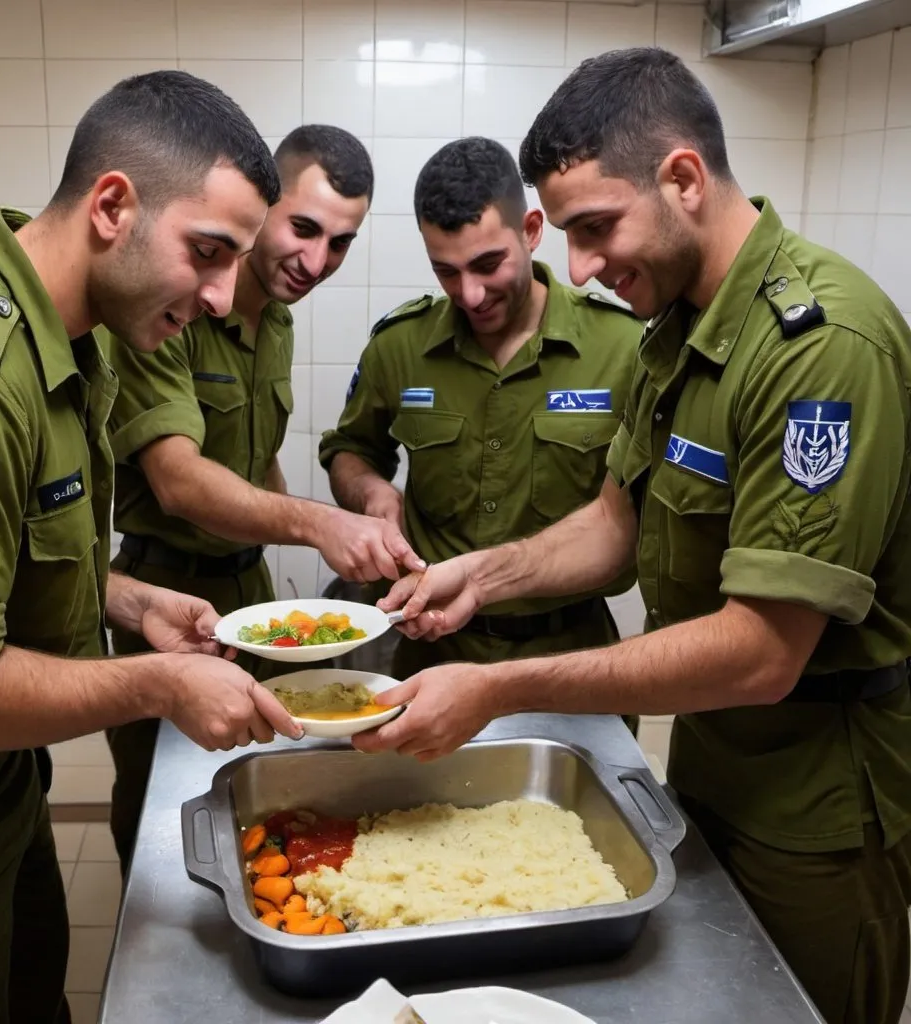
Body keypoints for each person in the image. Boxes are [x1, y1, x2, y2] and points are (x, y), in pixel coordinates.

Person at [359, 48, 911, 1024]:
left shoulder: (819, 347)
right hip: (709, 758)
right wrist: (477, 577)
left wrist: (498, 686)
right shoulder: (679, 335)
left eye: (593, 228)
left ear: (684, 178)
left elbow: (759, 652)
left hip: (815, 797)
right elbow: (614, 524)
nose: (576, 269)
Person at [0, 70, 300, 1024]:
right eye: (208, 251)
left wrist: (130, 602)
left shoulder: (74, 346)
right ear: (113, 205)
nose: (221, 292)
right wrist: (159, 685)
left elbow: (6, 566)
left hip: (1, 802)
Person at [103, 124, 424, 874]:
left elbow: (254, 456)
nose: (317, 262)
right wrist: (317, 524)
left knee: (260, 784)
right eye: (304, 229)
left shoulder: (275, 320)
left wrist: (322, 561)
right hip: (163, 594)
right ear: (263, 206)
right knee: (162, 802)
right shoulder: (172, 306)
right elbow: (180, 481)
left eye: (340, 243)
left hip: (248, 589)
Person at [319, 137, 641, 697]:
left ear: (532, 230)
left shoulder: (624, 348)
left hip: (570, 663)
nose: (470, 294)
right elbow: (350, 449)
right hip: (432, 658)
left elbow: (630, 520)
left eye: (488, 265)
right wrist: (371, 494)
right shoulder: (401, 345)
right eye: (446, 272)